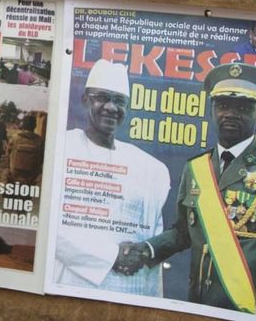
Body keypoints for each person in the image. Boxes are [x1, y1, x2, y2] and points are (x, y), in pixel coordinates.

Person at [119, 62, 256, 314]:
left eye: (243, 108)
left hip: (245, 305)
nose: (231, 114)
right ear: (212, 110)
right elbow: (184, 232)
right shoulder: (197, 167)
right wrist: (146, 250)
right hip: (199, 303)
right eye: (223, 105)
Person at [53, 60, 170, 296]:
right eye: (102, 97)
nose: (111, 107)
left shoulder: (150, 167)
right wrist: (111, 256)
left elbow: (153, 232)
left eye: (119, 101)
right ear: (86, 99)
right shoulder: (62, 147)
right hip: (75, 284)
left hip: (134, 288)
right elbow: (52, 229)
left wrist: (154, 295)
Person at [6, 114, 43, 184]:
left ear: (23, 125)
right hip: (30, 176)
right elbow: (41, 158)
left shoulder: (15, 138)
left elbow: (8, 153)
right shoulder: (40, 140)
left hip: (14, 174)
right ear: (35, 126)